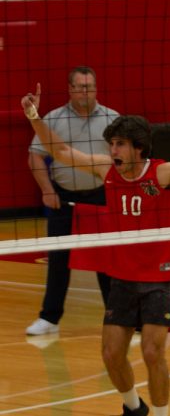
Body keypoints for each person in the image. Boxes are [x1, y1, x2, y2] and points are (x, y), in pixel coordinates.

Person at [22, 89, 170, 416]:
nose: (114, 150)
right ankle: (133, 408)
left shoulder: (162, 172)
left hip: (160, 276)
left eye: (121, 144)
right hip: (123, 276)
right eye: (112, 143)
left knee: (152, 351)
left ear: (139, 148)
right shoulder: (105, 169)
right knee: (111, 353)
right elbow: (61, 153)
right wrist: (34, 115)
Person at [25, 67, 118, 336]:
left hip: (101, 196)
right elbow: (35, 157)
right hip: (63, 198)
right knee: (58, 260)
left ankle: (116, 317)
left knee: (108, 260)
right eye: (80, 87)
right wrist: (47, 190)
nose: (85, 91)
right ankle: (49, 319)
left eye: (90, 86)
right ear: (70, 89)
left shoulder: (113, 119)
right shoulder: (53, 119)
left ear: (96, 88)